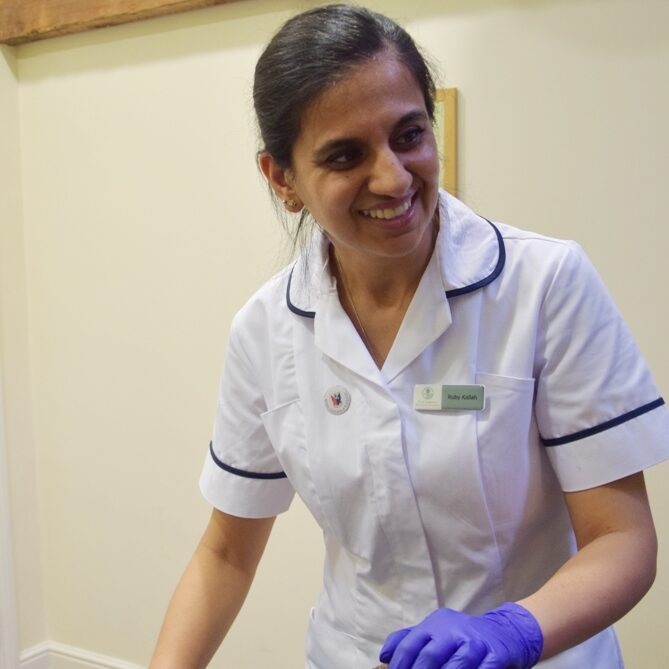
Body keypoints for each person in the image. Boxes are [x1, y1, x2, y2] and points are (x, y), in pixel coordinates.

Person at [149, 4, 669, 668]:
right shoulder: (265, 330)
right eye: (344, 155)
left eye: (409, 134)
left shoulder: (544, 284)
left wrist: (512, 630)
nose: (393, 177)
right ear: (282, 179)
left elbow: (622, 540)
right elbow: (224, 552)